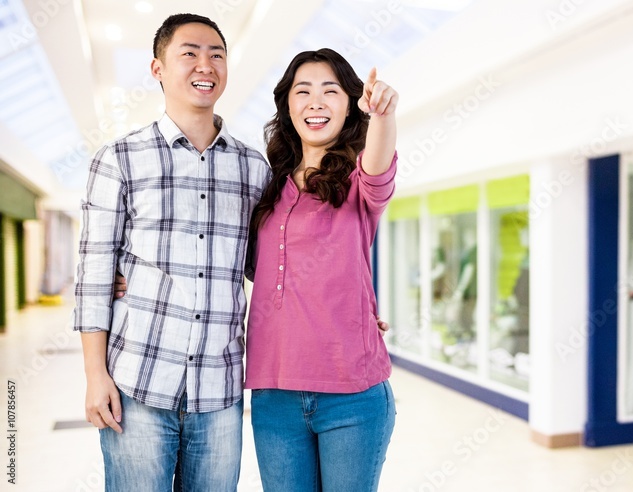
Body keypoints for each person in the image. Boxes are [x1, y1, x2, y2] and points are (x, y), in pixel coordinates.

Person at [72, 13, 271, 491]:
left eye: (217, 54)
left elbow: (266, 269)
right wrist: (95, 376)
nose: (206, 64)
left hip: (220, 388)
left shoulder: (253, 167)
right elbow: (95, 271)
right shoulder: (119, 158)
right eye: (190, 53)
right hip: (137, 382)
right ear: (158, 69)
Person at [244, 48, 398, 491]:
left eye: (331, 91)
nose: (316, 101)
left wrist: (384, 115)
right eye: (303, 90)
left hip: (351, 395)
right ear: (287, 105)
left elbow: (379, 167)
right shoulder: (267, 187)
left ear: (350, 104)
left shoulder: (357, 179)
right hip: (273, 396)